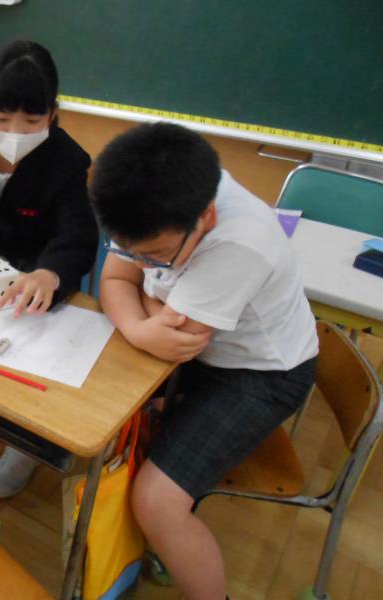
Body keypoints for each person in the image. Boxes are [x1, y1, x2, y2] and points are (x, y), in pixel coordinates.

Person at [90, 122, 318, 600]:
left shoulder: (239, 242)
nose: (141, 263)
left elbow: (177, 340)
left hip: (262, 376)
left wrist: (142, 314)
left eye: (155, 256)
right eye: (131, 250)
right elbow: (113, 281)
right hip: (205, 355)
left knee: (156, 502)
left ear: (207, 217)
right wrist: (141, 327)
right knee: (106, 412)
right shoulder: (152, 204)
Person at [0, 40, 99, 499]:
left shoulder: (67, 162)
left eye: (31, 121)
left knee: (37, 353)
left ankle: (25, 442)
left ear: (53, 115)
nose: (15, 132)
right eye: (2, 119)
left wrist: (49, 274)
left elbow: (78, 238)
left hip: (39, 276)